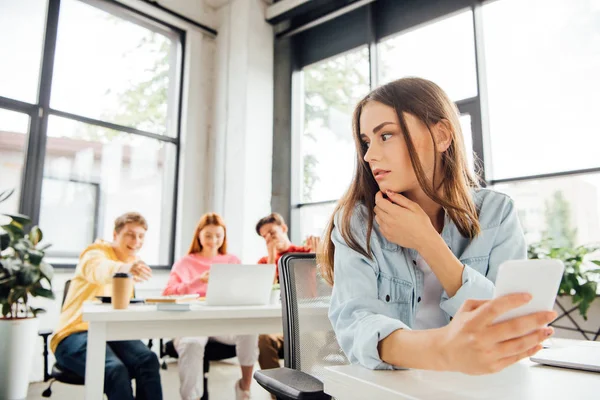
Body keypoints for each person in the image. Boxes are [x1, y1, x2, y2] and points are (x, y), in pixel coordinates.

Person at [319, 77, 557, 374]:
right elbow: (356, 324)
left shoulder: (496, 212)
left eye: (387, 135)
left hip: (482, 387)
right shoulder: (358, 222)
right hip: (395, 388)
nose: (369, 155)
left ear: (442, 135)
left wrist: (428, 242)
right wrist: (442, 351)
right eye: (366, 142)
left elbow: (506, 324)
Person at [51, 212, 162, 400]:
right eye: (130, 234)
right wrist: (124, 269)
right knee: (114, 370)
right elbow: (99, 269)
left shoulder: (131, 262)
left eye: (141, 236)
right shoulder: (95, 253)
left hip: (112, 332)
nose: (136, 240)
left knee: (148, 360)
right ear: (115, 234)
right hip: (73, 334)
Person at [163, 213, 258, 400]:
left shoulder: (232, 260)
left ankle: (244, 387)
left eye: (218, 236)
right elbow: (168, 293)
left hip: (224, 322)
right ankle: (191, 398)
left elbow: (242, 291)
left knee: (250, 329)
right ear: (199, 235)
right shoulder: (185, 262)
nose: (213, 240)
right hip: (194, 323)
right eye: (208, 235)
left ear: (224, 237)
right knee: (191, 344)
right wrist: (198, 281)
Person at [255, 213, 319, 374]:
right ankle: (278, 393)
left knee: (309, 341)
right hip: (278, 324)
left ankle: (302, 389)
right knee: (264, 339)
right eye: (264, 237)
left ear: (283, 228)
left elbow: (330, 274)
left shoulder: (304, 253)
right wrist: (271, 256)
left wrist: (320, 254)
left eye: (272, 232)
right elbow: (263, 290)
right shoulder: (264, 262)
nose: (269, 238)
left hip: (306, 322)